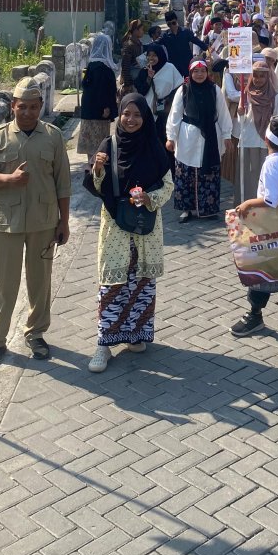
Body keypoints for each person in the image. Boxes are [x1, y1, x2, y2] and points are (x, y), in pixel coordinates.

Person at [0, 78, 71, 370]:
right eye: (22, 107)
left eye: (33, 107)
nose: (27, 112)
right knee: (1, 284)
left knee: (40, 282)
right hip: (7, 222)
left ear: (40, 107)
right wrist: (9, 180)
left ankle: (36, 333)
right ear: (12, 107)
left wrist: (63, 222)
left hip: (43, 222)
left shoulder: (53, 137)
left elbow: (63, 184)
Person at [87, 94, 174, 372]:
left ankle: (134, 334)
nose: (131, 120)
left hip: (145, 229)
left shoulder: (154, 147)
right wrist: (97, 168)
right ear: (120, 115)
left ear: (145, 118)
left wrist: (150, 198)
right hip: (115, 227)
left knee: (141, 285)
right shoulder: (108, 146)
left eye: (137, 115)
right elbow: (96, 186)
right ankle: (104, 345)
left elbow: (168, 184)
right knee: (112, 286)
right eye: (127, 114)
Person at [230, 116, 278, 338]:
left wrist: (247, 204)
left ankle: (254, 316)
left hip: (272, 228)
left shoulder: (271, 163)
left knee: (262, 272)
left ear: (266, 139)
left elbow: (271, 200)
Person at [166, 59, 233, 222]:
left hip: (210, 136)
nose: (199, 74)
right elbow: (175, 115)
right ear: (190, 72)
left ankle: (208, 209)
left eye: (202, 71)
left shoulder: (214, 90)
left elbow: (223, 114)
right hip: (188, 137)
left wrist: (227, 135)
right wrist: (171, 137)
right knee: (186, 174)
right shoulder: (183, 90)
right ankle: (186, 210)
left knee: (209, 172)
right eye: (196, 71)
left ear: (207, 73)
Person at [229, 57, 277, 205]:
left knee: (263, 175)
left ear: (268, 76)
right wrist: (240, 112)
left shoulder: (275, 96)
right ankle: (246, 205)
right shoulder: (246, 94)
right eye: (255, 75)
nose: (258, 79)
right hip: (248, 139)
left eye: (262, 76)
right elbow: (241, 120)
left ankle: (263, 205)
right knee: (248, 175)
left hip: (265, 141)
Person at [134, 42, 182, 153]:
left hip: (165, 109)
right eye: (149, 55)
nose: (151, 58)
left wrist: (168, 99)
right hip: (147, 110)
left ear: (160, 55)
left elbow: (179, 87)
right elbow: (141, 91)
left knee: (163, 137)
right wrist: (149, 78)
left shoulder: (170, 68)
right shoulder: (144, 71)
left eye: (154, 55)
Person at [77, 34, 118, 159]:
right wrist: (106, 107)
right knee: (99, 145)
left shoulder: (91, 65)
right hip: (99, 112)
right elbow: (102, 90)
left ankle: (91, 167)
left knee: (91, 146)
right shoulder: (103, 69)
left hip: (88, 110)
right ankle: (96, 171)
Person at [159, 10, 207, 78]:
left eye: (173, 23)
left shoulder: (185, 32)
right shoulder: (165, 36)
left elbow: (197, 41)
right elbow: (155, 45)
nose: (172, 26)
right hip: (174, 67)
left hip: (186, 64)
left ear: (176, 20)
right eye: (169, 24)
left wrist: (207, 49)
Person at [119, 20, 145, 97]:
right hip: (132, 83)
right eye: (142, 29)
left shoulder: (138, 43)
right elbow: (125, 66)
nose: (143, 31)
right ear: (136, 30)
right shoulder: (129, 45)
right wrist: (128, 84)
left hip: (139, 80)